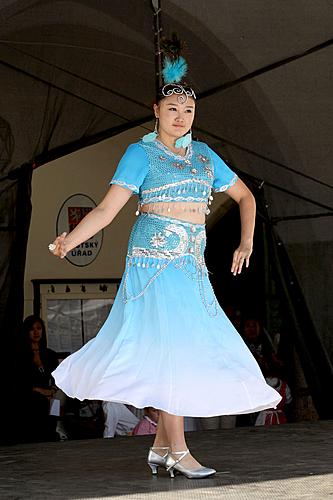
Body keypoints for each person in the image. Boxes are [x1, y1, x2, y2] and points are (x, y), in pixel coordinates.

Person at [49, 40, 281, 479]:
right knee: (172, 348)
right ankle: (177, 449)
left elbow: (246, 195)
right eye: (172, 108)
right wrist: (69, 241)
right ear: (155, 109)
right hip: (152, 262)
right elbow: (105, 210)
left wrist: (246, 241)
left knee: (181, 348)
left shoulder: (204, 156)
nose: (181, 116)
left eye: (188, 111)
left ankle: (160, 447)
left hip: (190, 263)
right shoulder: (141, 153)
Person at [22, 315, 67, 441]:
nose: (36, 332)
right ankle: (47, 429)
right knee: (41, 400)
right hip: (32, 391)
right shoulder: (21, 355)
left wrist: (51, 391)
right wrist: (40, 391)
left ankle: (56, 425)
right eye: (32, 329)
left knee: (58, 396)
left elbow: (56, 378)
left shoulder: (49, 354)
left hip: (49, 391)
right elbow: (21, 380)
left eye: (39, 328)